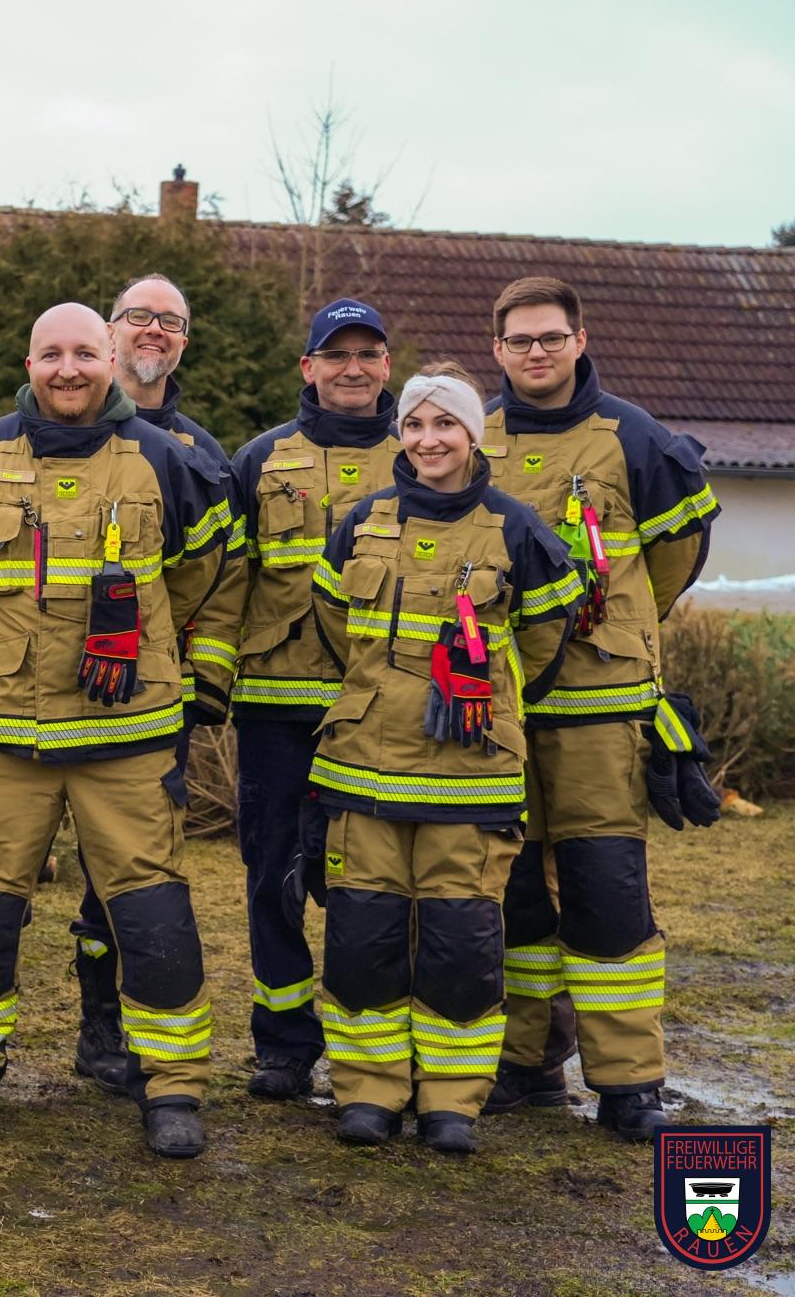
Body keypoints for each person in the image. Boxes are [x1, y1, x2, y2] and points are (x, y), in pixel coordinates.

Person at [0, 303, 230, 1156]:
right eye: (51, 353)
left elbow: (202, 569)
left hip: (126, 733)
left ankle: (172, 1087)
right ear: (30, 360)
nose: (68, 370)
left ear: (112, 357)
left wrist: (151, 639)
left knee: (151, 910)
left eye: (85, 353)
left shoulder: (166, 460)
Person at [308, 364, 584, 1153]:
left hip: (469, 770)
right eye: (418, 426)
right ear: (403, 434)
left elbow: (543, 640)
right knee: (364, 935)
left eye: (446, 426)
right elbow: (333, 621)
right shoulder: (362, 521)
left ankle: (451, 1101)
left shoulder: (517, 529)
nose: (429, 441)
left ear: (474, 436)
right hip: (363, 766)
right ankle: (366, 1094)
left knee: (463, 939)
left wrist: (483, 698)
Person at [478, 277, 720, 1141]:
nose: (535, 352)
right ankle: (526, 1063)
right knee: (510, 892)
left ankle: (628, 1085)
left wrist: (617, 629)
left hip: (601, 703)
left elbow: (674, 559)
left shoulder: (636, 437)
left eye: (551, 337)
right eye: (519, 340)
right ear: (497, 348)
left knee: (606, 890)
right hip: (500, 706)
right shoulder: (477, 438)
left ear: (580, 340)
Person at [189, 298, 402, 1102]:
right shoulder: (259, 461)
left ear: (387, 366)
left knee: (370, 881)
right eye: (335, 354)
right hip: (276, 707)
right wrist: (209, 686)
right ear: (307, 367)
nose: (352, 367)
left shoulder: (421, 457)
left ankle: (366, 1040)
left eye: (367, 354)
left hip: (382, 709)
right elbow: (225, 582)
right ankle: (282, 1041)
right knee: (271, 871)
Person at [67, 274, 235, 1096]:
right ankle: (96, 1021)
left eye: (172, 321)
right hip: (44, 697)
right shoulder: (47, 434)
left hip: (146, 696)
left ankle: (136, 1029)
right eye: (140, 317)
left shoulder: (201, 455)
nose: (155, 332)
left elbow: (216, 576)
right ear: (108, 332)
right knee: (77, 873)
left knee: (138, 872)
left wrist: (190, 668)